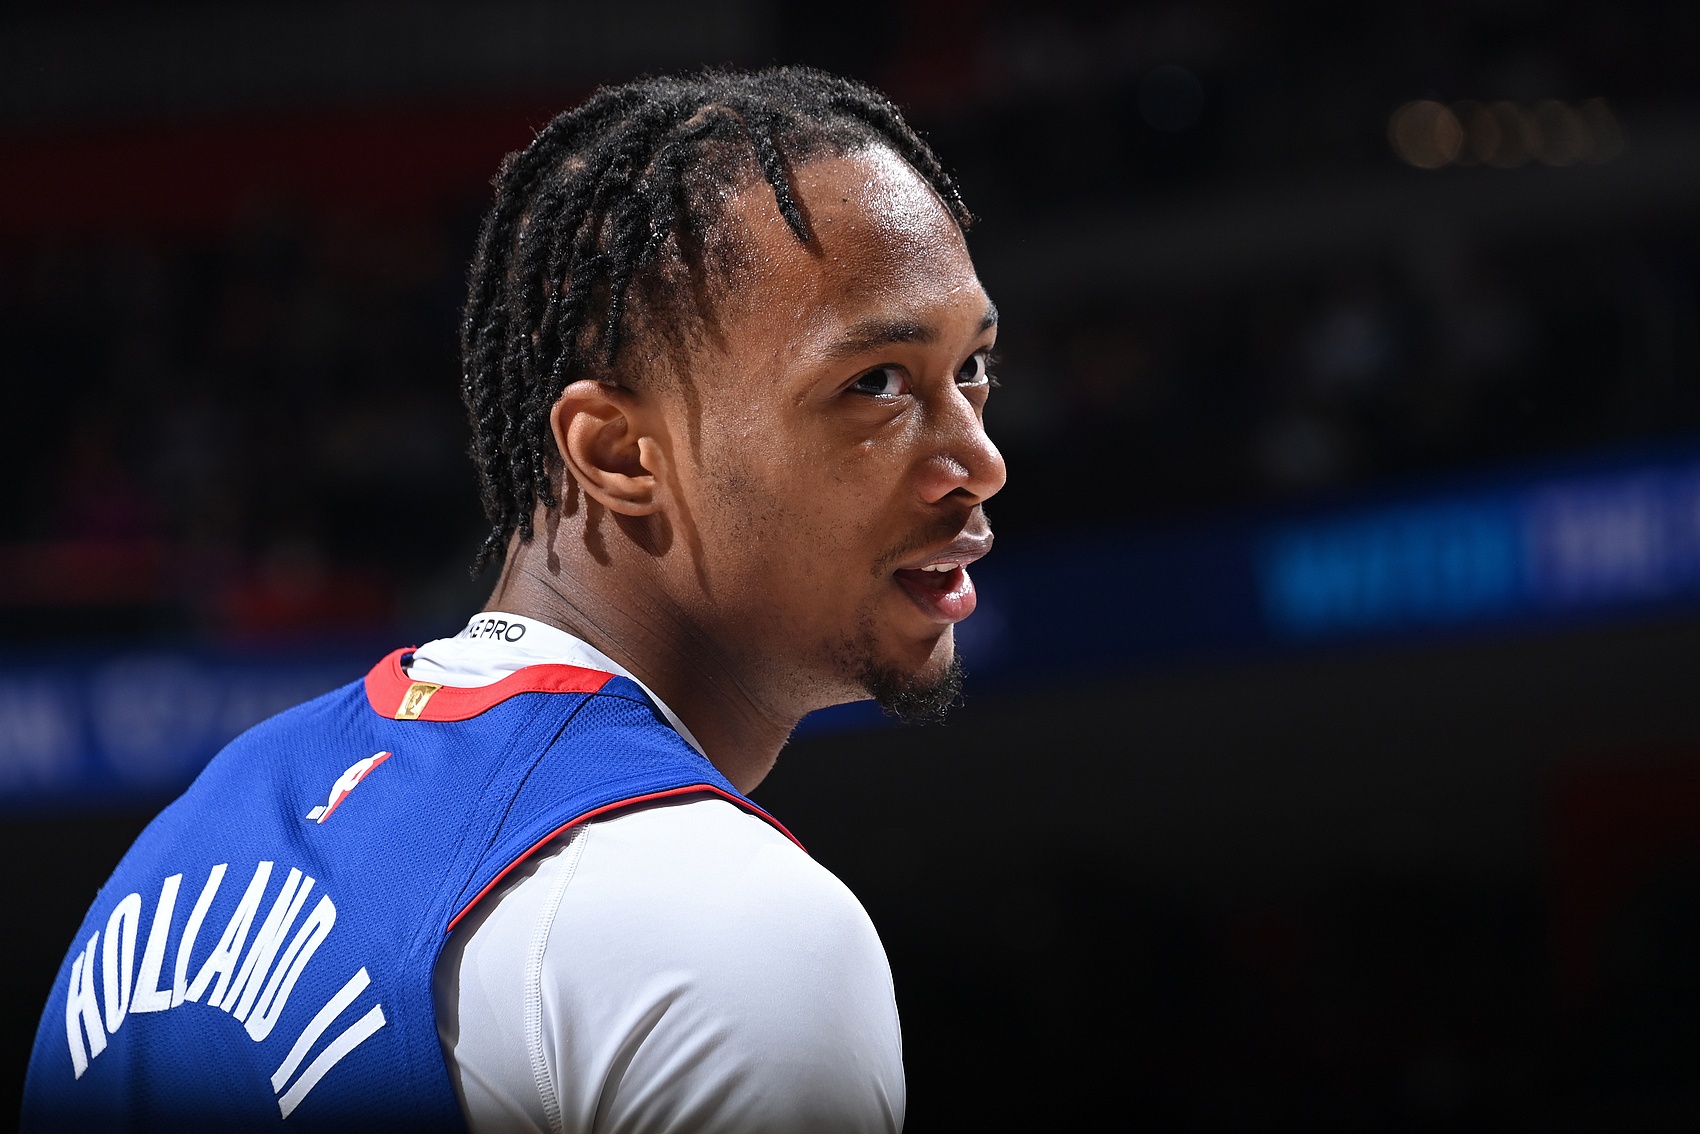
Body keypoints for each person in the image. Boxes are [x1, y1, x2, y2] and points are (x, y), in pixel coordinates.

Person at [22, 66, 1004, 1132]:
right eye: (875, 384)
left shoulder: (189, 845)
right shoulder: (727, 926)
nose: (978, 460)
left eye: (973, 367)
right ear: (617, 452)